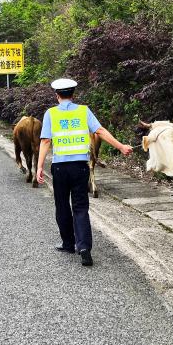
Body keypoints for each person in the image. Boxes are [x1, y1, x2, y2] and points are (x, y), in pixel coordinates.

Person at [36, 78, 133, 267]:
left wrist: (39, 166)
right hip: (81, 167)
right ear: (73, 94)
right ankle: (84, 248)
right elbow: (100, 130)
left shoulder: (51, 114)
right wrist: (120, 147)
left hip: (60, 167)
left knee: (62, 205)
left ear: (57, 96)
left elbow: (45, 141)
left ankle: (68, 243)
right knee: (80, 207)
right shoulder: (83, 111)